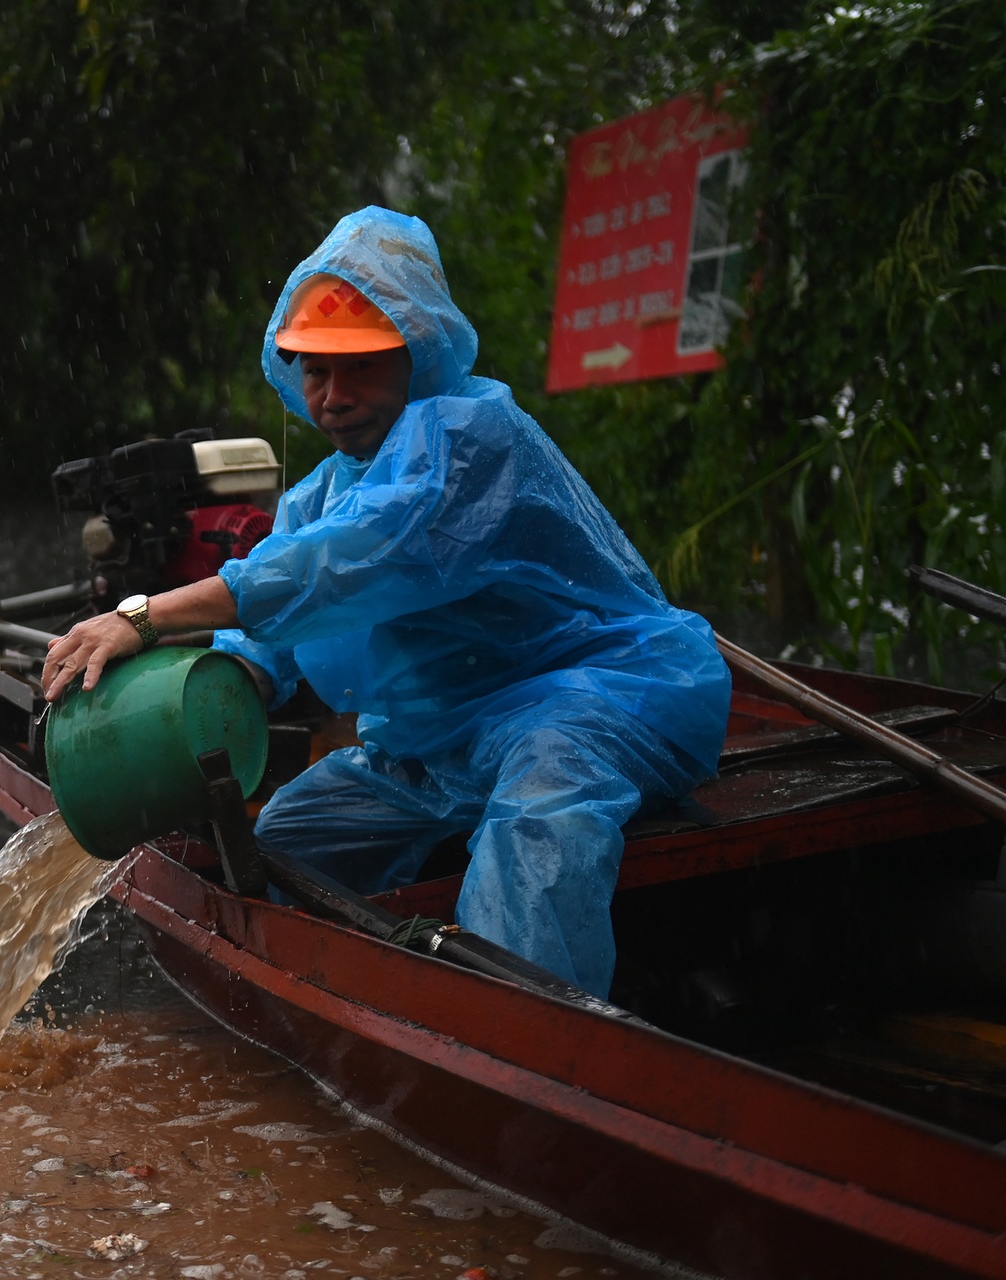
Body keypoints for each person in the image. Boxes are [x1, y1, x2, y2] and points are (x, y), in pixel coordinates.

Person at [41, 206, 730, 998]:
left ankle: (530, 1037)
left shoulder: (471, 438)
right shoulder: (316, 499)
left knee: (541, 828)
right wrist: (204, 699)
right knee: (282, 846)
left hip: (592, 696)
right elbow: (272, 643)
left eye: (362, 367)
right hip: (431, 744)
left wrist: (142, 616)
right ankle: (314, 1012)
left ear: (418, 356)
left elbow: (338, 565)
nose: (334, 396)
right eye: (316, 371)